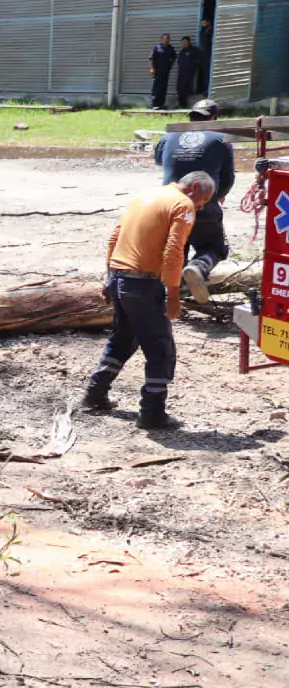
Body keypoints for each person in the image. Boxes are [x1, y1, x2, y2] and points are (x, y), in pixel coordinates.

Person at [81, 172, 216, 430]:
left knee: (124, 337)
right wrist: (174, 295)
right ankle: (152, 412)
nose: (201, 206)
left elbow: (115, 236)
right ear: (195, 187)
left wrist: (110, 277)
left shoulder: (146, 195)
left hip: (120, 277)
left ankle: (95, 393)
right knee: (160, 349)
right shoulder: (182, 204)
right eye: (203, 200)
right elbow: (174, 251)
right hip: (143, 283)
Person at [153, 99, 235, 302]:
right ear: (214, 118)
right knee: (214, 247)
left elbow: (158, 160)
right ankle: (197, 267)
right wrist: (216, 196)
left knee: (177, 246)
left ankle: (174, 291)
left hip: (168, 203)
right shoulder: (221, 138)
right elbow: (228, 178)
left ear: (191, 116)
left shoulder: (169, 135)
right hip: (201, 203)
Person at [149, 33, 176, 109]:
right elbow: (151, 58)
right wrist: (152, 68)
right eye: (165, 38)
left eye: (168, 38)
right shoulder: (157, 47)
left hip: (165, 72)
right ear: (162, 39)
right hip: (157, 72)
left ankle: (161, 104)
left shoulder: (171, 48)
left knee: (163, 88)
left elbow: (174, 58)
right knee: (156, 88)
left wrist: (170, 66)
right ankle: (155, 104)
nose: (167, 40)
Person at [176, 36, 200, 108]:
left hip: (189, 73)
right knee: (179, 88)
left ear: (189, 42)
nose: (184, 43)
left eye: (185, 42)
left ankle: (183, 104)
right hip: (181, 72)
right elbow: (179, 61)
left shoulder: (193, 50)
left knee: (185, 88)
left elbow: (198, 60)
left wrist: (192, 68)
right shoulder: (182, 51)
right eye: (183, 42)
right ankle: (180, 103)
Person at [198, 18, 214, 93]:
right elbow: (203, 43)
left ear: (208, 23)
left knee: (209, 72)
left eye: (204, 23)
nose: (203, 25)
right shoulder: (203, 31)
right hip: (205, 55)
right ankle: (206, 90)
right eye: (202, 23)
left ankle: (208, 89)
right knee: (206, 73)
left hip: (209, 54)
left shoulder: (211, 30)